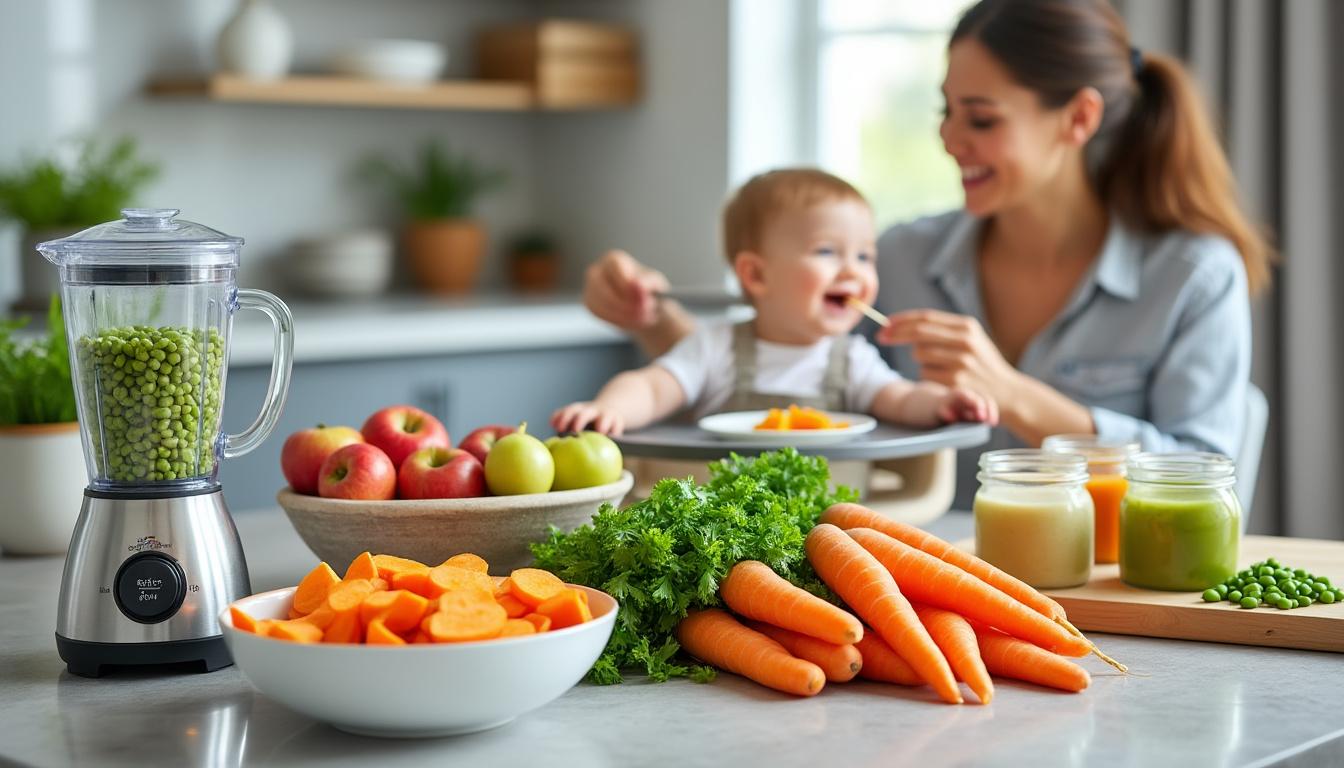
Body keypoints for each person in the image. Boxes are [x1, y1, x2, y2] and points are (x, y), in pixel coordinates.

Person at [580, 0, 1273, 509]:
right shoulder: (902, 256)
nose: (949, 139)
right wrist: (647, 318)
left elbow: (1207, 475)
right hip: (912, 570)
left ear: (1079, 118)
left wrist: (1015, 395)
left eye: (981, 118)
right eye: (944, 112)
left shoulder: (1193, 275)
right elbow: (770, 374)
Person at [552, 169, 996, 436]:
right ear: (756, 275)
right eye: (827, 252)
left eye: (864, 256)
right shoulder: (715, 348)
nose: (853, 271)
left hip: (832, 531)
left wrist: (943, 403)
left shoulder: (853, 360)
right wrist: (607, 410)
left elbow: (901, 398)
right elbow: (650, 387)